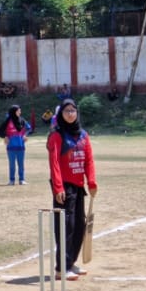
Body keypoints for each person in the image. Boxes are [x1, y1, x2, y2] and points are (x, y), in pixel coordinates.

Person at [47, 99, 96, 281]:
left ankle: (70, 263)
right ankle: (61, 268)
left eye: (73, 111)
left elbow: (89, 160)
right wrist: (58, 187)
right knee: (65, 227)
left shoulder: (83, 135)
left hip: (78, 187)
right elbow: (55, 164)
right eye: (67, 111)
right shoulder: (56, 135)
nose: (70, 114)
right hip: (64, 188)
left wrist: (91, 182)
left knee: (79, 226)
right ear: (61, 114)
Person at [1, 104, 33, 183]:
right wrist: (5, 137)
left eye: (20, 110)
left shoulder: (22, 120)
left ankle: (22, 179)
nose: (20, 112)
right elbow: (1, 131)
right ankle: (11, 180)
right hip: (11, 147)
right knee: (12, 165)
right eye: (19, 110)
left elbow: (29, 128)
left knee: (21, 165)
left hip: (21, 146)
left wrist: (25, 135)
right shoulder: (8, 121)